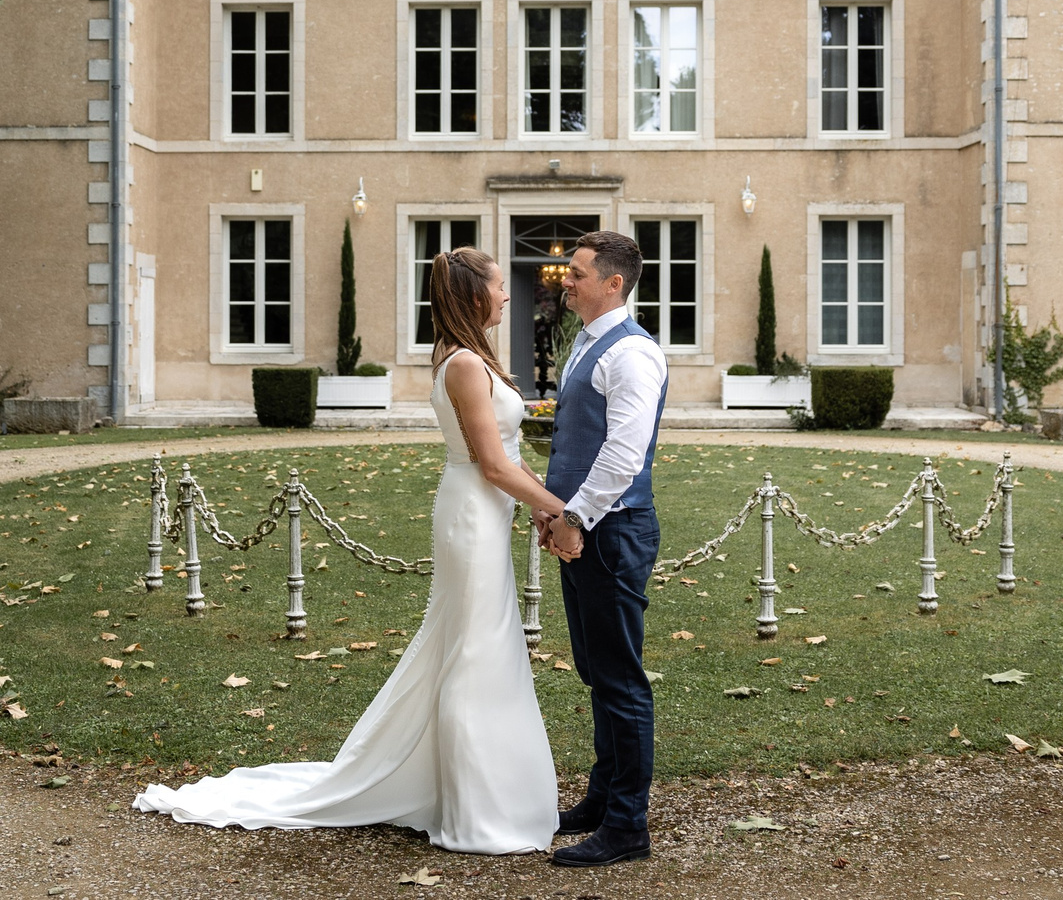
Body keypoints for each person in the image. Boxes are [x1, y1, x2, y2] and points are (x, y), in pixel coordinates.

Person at [132, 247, 565, 854]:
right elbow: (493, 464)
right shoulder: (465, 363)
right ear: (473, 296)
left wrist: (541, 503)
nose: (507, 295)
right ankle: (478, 810)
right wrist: (560, 510)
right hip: (472, 512)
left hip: (483, 511)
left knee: (477, 643)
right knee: (476, 650)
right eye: (499, 287)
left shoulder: (468, 357)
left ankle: (461, 789)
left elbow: (505, 458)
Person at [535, 228, 667, 867]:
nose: (568, 279)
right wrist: (557, 510)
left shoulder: (632, 353)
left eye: (579, 272)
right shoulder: (590, 343)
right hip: (583, 528)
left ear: (614, 283)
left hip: (610, 532)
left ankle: (626, 827)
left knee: (620, 680)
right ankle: (601, 799)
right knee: (596, 670)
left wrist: (575, 518)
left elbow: (623, 453)